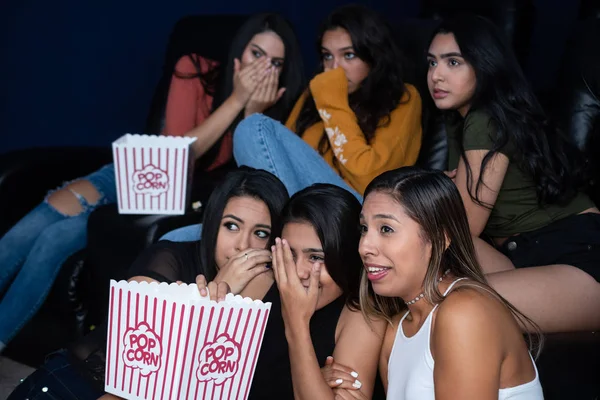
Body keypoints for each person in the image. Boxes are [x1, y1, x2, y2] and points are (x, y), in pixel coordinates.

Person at [0, 13, 305, 352]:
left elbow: (250, 188)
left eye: (275, 62)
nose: (263, 69)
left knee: (52, 243)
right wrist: (237, 99)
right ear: (238, 54)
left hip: (182, 198)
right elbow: (173, 155)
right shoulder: (195, 68)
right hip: (138, 173)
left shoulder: (275, 117)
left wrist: (253, 114)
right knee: (26, 233)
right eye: (256, 54)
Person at [8, 167, 290, 399]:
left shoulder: (270, 286)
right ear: (213, 224)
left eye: (261, 233)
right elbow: (143, 373)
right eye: (231, 225)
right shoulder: (167, 257)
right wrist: (221, 290)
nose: (243, 245)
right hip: (75, 386)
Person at [427, 14, 600, 332]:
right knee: (419, 251)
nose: (436, 75)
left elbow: (465, 226)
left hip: (575, 253)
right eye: (431, 63)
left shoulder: (484, 119)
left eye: (453, 62)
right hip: (518, 253)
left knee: (449, 306)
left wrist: (445, 191)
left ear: (484, 65)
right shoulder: (460, 121)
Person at [357, 166, 544, 399]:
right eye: (364, 228)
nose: (364, 246)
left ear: (439, 238)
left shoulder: (465, 312)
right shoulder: (396, 331)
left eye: (386, 229)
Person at [187, 184, 386, 399]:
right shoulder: (258, 284)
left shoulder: (362, 313)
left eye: (316, 258)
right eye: (289, 255)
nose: (298, 272)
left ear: (347, 258)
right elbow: (200, 382)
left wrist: (296, 323)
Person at [233, 4, 422, 200]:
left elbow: (371, 181)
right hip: (302, 205)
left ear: (373, 58)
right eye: (327, 56)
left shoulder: (402, 96)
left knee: (253, 126)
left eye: (349, 55)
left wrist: (332, 100)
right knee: (202, 231)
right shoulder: (314, 93)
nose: (334, 69)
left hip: (353, 211)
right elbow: (284, 154)